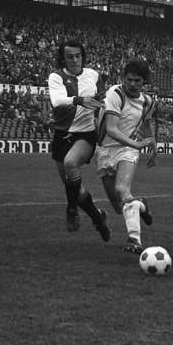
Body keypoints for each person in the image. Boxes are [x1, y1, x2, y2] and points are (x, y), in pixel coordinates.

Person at [48, 40, 110, 241]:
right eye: (70, 56)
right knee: (75, 187)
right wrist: (79, 100)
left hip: (86, 134)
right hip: (62, 134)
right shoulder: (56, 77)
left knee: (70, 163)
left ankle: (71, 210)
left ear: (83, 56)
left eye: (78, 56)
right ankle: (98, 217)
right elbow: (57, 101)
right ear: (63, 58)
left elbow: (104, 100)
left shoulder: (93, 75)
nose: (75, 60)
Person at [95, 58, 157, 254]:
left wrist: (153, 147)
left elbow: (146, 125)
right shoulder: (115, 94)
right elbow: (111, 129)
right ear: (124, 78)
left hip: (127, 150)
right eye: (129, 79)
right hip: (105, 150)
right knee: (117, 206)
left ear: (144, 81)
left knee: (122, 189)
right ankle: (141, 206)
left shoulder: (148, 102)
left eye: (137, 80)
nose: (132, 84)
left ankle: (134, 239)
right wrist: (138, 143)